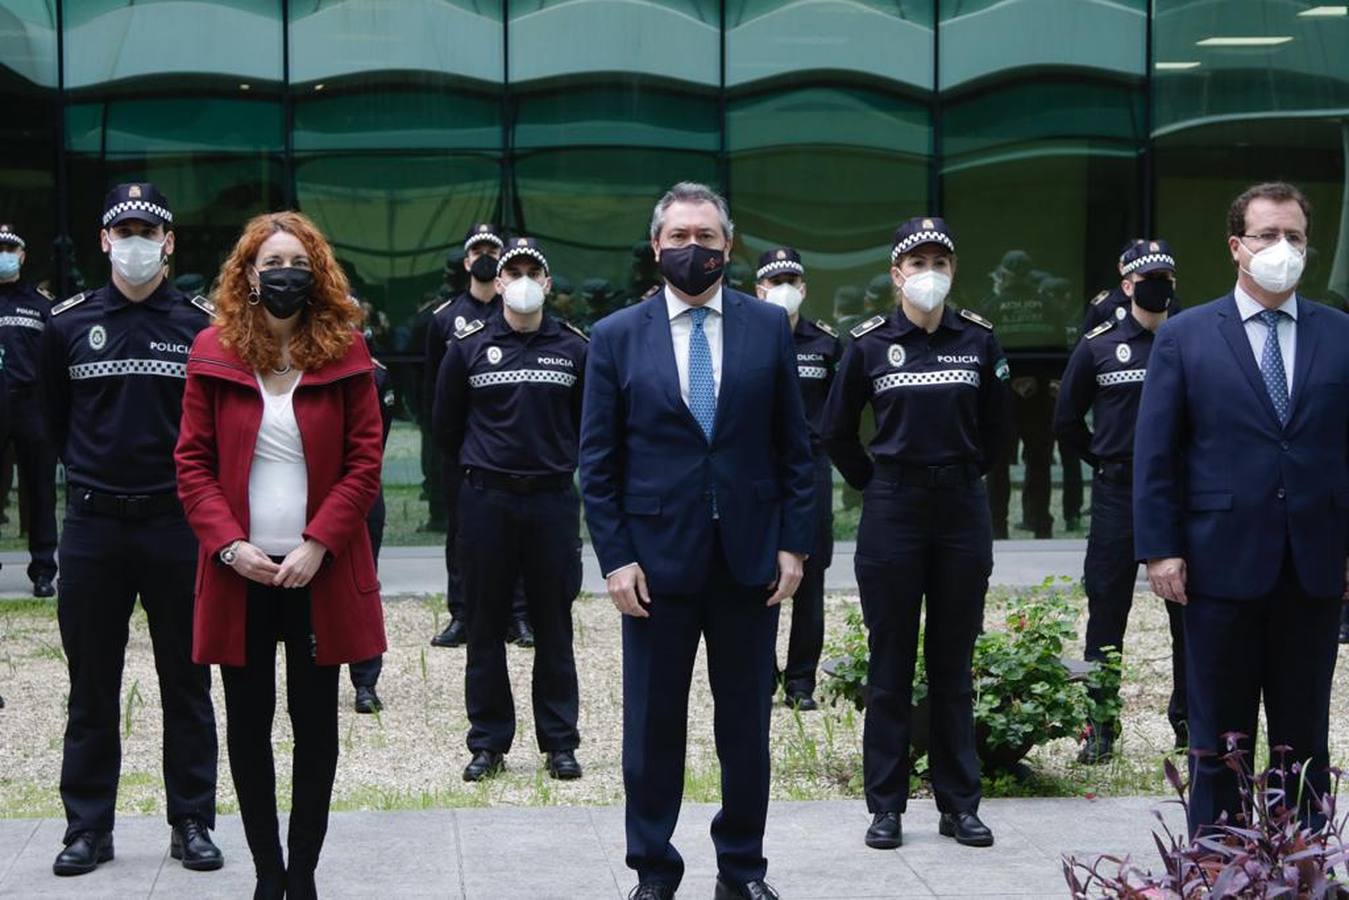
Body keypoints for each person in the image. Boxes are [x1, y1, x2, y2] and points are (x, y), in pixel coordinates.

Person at [579, 182, 815, 900]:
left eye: (705, 237)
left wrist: (793, 547)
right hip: (654, 567)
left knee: (745, 729)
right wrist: (615, 558)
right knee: (652, 731)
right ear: (655, 247)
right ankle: (653, 870)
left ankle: (742, 871)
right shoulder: (616, 336)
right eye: (678, 236)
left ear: (727, 246)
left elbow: (793, 452)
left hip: (749, 563)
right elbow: (598, 463)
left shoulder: (767, 328)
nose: (692, 249)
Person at [175, 210, 385, 898]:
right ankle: (268, 874)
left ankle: (303, 875)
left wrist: (319, 543)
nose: (284, 273)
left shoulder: (346, 353)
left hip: (315, 575)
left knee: (316, 727)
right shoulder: (212, 350)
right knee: (248, 727)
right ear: (250, 277)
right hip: (241, 574)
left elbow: (363, 464)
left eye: (297, 261)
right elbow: (192, 465)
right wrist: (229, 546)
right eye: (271, 263)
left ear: (316, 273)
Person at [1134, 182, 1349, 836]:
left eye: (1294, 237)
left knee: (1303, 734)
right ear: (1235, 247)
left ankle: (1301, 865)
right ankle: (1215, 866)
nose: (1280, 249)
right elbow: (1156, 454)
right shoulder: (1187, 337)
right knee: (1218, 737)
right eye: (1266, 235)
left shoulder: (1339, 334)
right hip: (1217, 564)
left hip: (1311, 566)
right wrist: (1158, 548)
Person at [43, 183, 220, 877]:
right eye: (126, 230)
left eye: (151, 230)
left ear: (170, 242)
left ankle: (193, 822)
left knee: (187, 681)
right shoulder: (67, 324)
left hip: (177, 524)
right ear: (104, 241)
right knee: (92, 685)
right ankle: (88, 829)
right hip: (93, 528)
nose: (138, 242)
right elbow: (54, 424)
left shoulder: (203, 327)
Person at [823, 216, 1008, 852]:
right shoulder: (869, 344)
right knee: (890, 662)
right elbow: (837, 430)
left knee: (954, 664)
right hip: (894, 508)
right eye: (918, 261)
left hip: (960, 507)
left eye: (941, 261)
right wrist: (875, 482)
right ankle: (886, 807)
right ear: (897, 272)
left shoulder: (979, 340)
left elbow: (1000, 432)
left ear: (953, 271)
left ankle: (960, 805)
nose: (930, 272)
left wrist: (958, 475)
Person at [434, 237, 587, 782]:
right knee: (485, 622)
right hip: (487, 500)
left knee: (553, 623)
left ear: (547, 283)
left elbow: (587, 424)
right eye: (512, 270)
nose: (522, 279)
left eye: (532, 271)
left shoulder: (574, 348)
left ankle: (560, 742)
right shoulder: (468, 347)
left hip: (550, 500)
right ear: (497, 282)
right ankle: (488, 742)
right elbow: (447, 427)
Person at [1054, 240, 1186, 764]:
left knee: (1187, 612)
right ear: (1127, 285)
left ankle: (1189, 723)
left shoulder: (1190, 340)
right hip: (1117, 492)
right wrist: (1106, 462)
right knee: (1107, 613)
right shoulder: (1098, 345)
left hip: (1179, 495)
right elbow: (1067, 420)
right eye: (1147, 276)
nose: (1158, 284)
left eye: (1166, 276)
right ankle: (1101, 727)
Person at [427, 224, 533, 650]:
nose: (485, 257)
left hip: (516, 446)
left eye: (493, 250)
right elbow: (435, 391)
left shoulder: (520, 311)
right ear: (467, 261)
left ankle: (519, 616)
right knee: (462, 535)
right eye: (478, 251)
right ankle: (462, 614)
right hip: (465, 450)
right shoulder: (444, 318)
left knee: (522, 534)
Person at [754, 246, 841, 711]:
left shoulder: (825, 343)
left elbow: (843, 408)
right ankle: (762, 673)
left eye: (792, 281)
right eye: (774, 281)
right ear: (758, 289)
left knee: (810, 576)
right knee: (758, 572)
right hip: (760, 472)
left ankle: (801, 680)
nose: (783, 290)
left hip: (810, 469)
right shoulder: (748, 341)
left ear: (803, 288)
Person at [981, 250, 1058, 538]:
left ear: (1005, 274)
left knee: (997, 465)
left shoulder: (993, 306)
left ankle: (997, 527)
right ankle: (1040, 524)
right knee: (1039, 464)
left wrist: (1010, 380)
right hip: (1040, 397)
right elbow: (1062, 347)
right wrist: (1046, 380)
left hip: (1004, 398)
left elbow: (983, 352)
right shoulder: (1048, 305)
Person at [0, 224, 59, 596]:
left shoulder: (41, 306)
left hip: (31, 406)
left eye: (9, 247)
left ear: (21, 255)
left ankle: (42, 571)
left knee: (40, 491)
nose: (4, 253)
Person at [348, 354, 398, 714]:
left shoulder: (375, 374)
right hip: (310, 491)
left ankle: (366, 681)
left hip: (361, 491)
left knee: (362, 585)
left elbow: (377, 442)